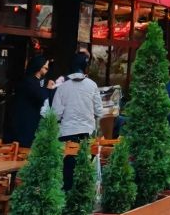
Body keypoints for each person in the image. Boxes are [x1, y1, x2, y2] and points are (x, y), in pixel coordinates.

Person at [51, 52, 103, 190]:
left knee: (67, 170)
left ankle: (67, 193)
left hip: (67, 134)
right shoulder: (92, 85)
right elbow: (99, 111)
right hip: (87, 134)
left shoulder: (62, 87)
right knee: (85, 168)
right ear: (85, 68)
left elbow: (55, 114)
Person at [7, 56, 55, 148]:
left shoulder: (35, 81)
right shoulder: (29, 81)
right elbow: (41, 96)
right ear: (38, 66)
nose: (47, 69)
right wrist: (48, 88)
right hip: (25, 120)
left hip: (30, 119)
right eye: (45, 67)